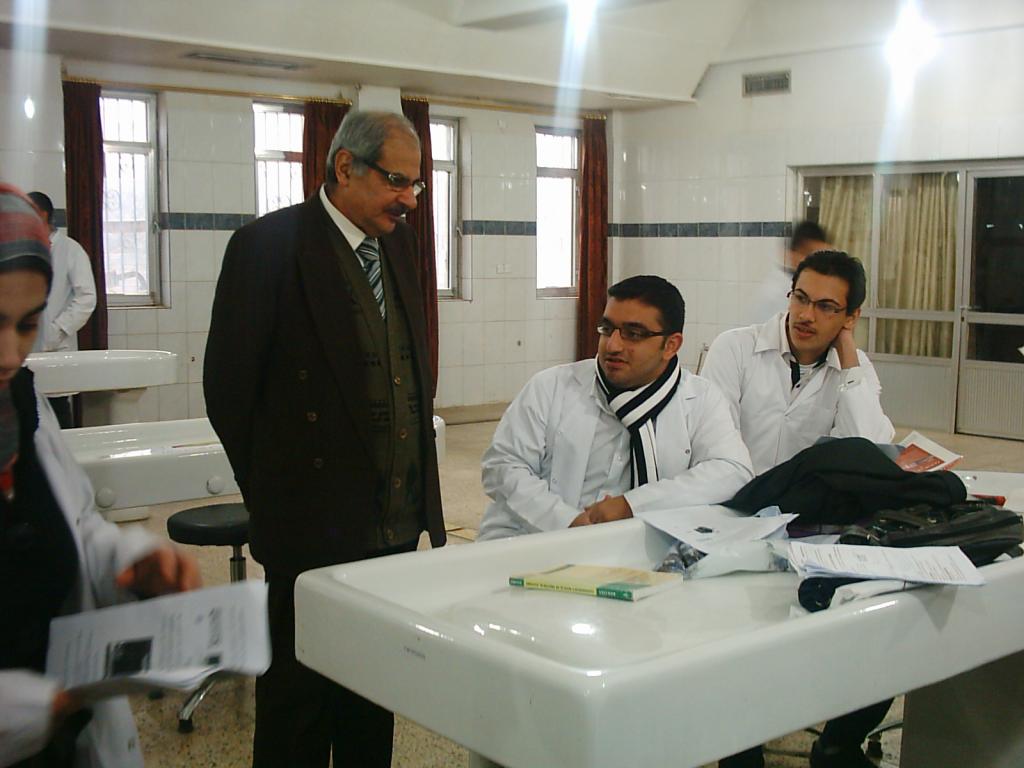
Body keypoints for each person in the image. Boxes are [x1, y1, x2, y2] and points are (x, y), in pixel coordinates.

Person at [204, 111, 446, 768]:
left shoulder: (397, 245)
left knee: (372, 695)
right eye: (397, 181)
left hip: (392, 526)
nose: (409, 199)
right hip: (310, 527)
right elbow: (228, 390)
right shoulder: (268, 247)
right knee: (299, 703)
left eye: (417, 185)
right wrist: (278, 494)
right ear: (345, 167)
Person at [0, 183, 200, 768]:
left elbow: (75, 524)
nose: (10, 354)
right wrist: (41, 704)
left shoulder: (23, 406)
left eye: (27, 324)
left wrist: (130, 561)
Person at [702, 249, 895, 768]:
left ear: (850, 317)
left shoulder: (854, 369)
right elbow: (713, 447)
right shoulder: (736, 349)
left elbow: (870, 451)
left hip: (812, 530)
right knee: (735, 649)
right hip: (731, 522)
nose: (806, 315)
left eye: (827, 307)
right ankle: (739, 755)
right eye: (801, 298)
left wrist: (848, 359)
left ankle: (837, 746)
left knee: (882, 623)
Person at [478, 275, 753, 541]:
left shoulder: (700, 399)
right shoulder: (552, 386)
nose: (613, 345)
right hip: (533, 538)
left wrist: (632, 505)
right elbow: (503, 465)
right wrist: (566, 522)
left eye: (633, 334)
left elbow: (732, 472)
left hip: (636, 549)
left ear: (671, 345)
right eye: (607, 329)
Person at [25, 192, 97, 429]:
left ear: (42, 215)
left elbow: (87, 297)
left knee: (57, 412)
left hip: (55, 346)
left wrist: (57, 330)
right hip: (23, 348)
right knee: (26, 411)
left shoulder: (70, 250)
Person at [745, 220, 830, 326]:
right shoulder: (775, 295)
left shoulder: (807, 286)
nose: (819, 263)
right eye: (811, 254)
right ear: (792, 254)